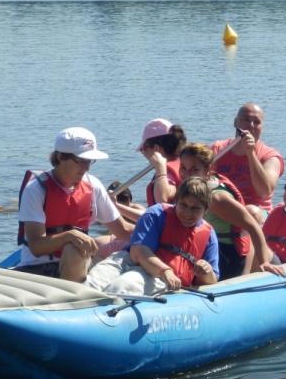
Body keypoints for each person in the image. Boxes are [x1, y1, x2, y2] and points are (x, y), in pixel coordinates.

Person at [16, 127, 133, 282]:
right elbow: (36, 247)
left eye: (90, 161)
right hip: (38, 268)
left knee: (76, 249)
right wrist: (68, 236)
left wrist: (159, 225)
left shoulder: (93, 185)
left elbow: (123, 231)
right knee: (73, 246)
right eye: (81, 161)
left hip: (78, 264)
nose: (86, 167)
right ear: (60, 157)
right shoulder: (36, 189)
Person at [85, 177, 219, 296]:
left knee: (120, 287)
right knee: (91, 285)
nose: (188, 213)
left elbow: (212, 281)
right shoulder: (156, 214)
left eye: (195, 208)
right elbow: (138, 251)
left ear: (205, 210)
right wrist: (165, 270)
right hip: (130, 261)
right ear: (176, 202)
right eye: (183, 205)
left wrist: (206, 272)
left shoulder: (209, 235)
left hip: (160, 279)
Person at [178, 143, 285, 279]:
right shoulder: (192, 189)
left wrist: (264, 262)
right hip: (208, 247)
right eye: (183, 168)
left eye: (194, 169)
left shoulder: (217, 198)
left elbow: (253, 226)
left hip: (229, 254)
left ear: (208, 170)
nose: (187, 174)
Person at [211, 102, 284, 223]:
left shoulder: (270, 157)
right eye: (246, 120)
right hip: (223, 205)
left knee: (251, 211)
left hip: (256, 212)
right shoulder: (217, 149)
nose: (251, 125)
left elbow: (264, 192)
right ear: (235, 122)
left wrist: (250, 154)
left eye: (257, 122)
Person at [139, 118, 187, 206]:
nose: (143, 153)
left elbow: (163, 201)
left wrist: (160, 168)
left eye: (144, 148)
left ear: (157, 149)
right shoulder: (183, 164)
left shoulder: (167, 172)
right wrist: (119, 207)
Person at [94, 181, 146, 260]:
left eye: (125, 201)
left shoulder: (135, 208)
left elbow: (146, 216)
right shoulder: (106, 212)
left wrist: (117, 206)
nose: (125, 204)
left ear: (130, 199)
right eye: (120, 200)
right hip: (115, 239)